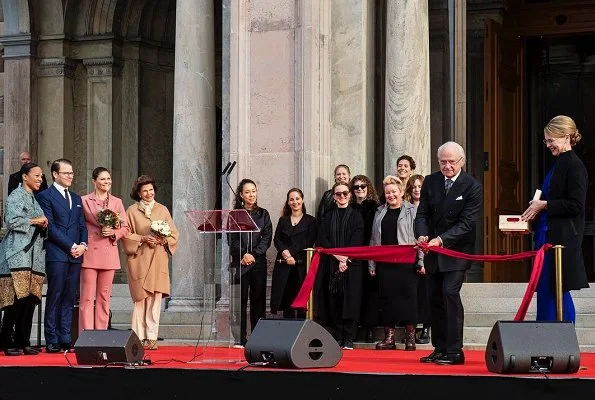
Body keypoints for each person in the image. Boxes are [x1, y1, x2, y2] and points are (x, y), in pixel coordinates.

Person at [414, 142, 482, 365]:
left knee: (449, 293)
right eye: (443, 162)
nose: (447, 166)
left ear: (461, 161)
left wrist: (441, 239)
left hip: (456, 251)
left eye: (451, 162)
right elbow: (422, 213)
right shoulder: (431, 181)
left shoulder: (472, 186)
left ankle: (455, 351)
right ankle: (440, 348)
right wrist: (422, 235)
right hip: (432, 250)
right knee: (433, 298)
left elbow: (466, 223)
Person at [521, 115, 589, 323]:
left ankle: (561, 341)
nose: (548, 145)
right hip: (547, 237)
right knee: (547, 290)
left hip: (562, 240)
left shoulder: (575, 166)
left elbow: (576, 205)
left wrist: (545, 205)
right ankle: (549, 341)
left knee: (556, 290)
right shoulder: (559, 164)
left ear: (566, 137)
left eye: (551, 140)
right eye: (546, 141)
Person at [36, 158, 88, 353]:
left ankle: (65, 337)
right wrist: (71, 245)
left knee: (69, 297)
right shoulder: (45, 196)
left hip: (76, 255)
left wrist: (83, 245)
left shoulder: (76, 198)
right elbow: (51, 226)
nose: (70, 176)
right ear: (55, 174)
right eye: (66, 173)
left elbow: (82, 225)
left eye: (72, 173)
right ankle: (52, 339)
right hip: (57, 253)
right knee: (55, 295)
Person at [121, 175, 178, 350]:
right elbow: (126, 234)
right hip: (139, 259)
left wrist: (162, 241)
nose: (148, 193)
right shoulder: (131, 211)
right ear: (138, 193)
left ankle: (152, 337)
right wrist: (143, 238)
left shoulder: (163, 209)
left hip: (158, 258)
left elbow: (174, 234)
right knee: (140, 299)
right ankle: (138, 337)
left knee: (155, 299)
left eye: (151, 190)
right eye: (144, 190)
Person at [0, 163, 48, 356]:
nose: (40, 179)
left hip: (34, 257)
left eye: (41, 176)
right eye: (36, 175)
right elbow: (12, 221)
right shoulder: (16, 196)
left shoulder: (34, 199)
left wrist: (44, 224)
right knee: (15, 300)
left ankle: (23, 340)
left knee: (30, 300)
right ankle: (6, 340)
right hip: (17, 255)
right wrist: (35, 221)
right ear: (24, 177)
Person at [369, 175, 419, 351]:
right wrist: (372, 264)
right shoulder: (379, 212)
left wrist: (420, 261)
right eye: (387, 192)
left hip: (406, 262)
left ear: (401, 192)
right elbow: (374, 239)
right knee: (386, 299)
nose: (390, 195)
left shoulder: (412, 211)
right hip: (385, 262)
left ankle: (410, 336)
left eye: (393, 192)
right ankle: (389, 338)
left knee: (409, 299)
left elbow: (418, 238)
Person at [314, 181, 364, 350]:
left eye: (344, 193)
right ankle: (337, 336)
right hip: (332, 263)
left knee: (350, 301)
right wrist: (338, 257)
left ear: (350, 195)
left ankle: (349, 338)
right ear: (334, 197)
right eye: (338, 194)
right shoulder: (328, 217)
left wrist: (346, 259)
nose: (342, 196)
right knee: (333, 300)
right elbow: (323, 239)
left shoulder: (357, 216)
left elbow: (358, 239)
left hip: (352, 264)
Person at [79, 167, 130, 334]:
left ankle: (101, 335)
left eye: (108, 179)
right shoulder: (85, 200)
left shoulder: (117, 201)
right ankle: (86, 336)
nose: (106, 182)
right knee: (87, 297)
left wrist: (114, 233)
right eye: (102, 179)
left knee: (104, 297)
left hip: (109, 252)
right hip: (90, 252)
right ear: (94, 181)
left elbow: (125, 227)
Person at [228, 178, 272, 346]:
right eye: (247, 192)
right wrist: (244, 254)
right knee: (240, 301)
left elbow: (266, 238)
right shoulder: (234, 215)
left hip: (258, 263)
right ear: (241, 194)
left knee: (258, 301)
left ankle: (258, 337)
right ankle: (239, 338)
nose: (251, 194)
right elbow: (232, 240)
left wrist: (253, 254)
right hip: (240, 263)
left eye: (253, 191)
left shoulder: (263, 214)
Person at [270, 188, 317, 319]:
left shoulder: (311, 221)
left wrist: (289, 253)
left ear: (302, 200)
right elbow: (277, 239)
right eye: (291, 199)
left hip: (301, 265)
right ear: (288, 202)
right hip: (284, 265)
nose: (294, 202)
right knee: (286, 299)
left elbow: (309, 241)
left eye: (297, 198)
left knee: (301, 298)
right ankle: (288, 332)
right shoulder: (283, 220)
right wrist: (285, 253)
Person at [349, 174, 381, 343]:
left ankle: (370, 328)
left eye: (363, 186)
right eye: (356, 187)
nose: (360, 189)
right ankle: (356, 325)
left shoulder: (376, 207)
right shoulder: (349, 207)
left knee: (370, 292)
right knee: (355, 291)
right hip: (353, 254)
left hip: (370, 253)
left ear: (368, 187)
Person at [405, 174, 431, 344]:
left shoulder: (429, 207)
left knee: (426, 294)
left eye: (420, 186)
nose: (416, 189)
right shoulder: (405, 208)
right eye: (413, 186)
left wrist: (422, 259)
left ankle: (427, 328)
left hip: (426, 254)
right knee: (412, 295)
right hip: (409, 254)